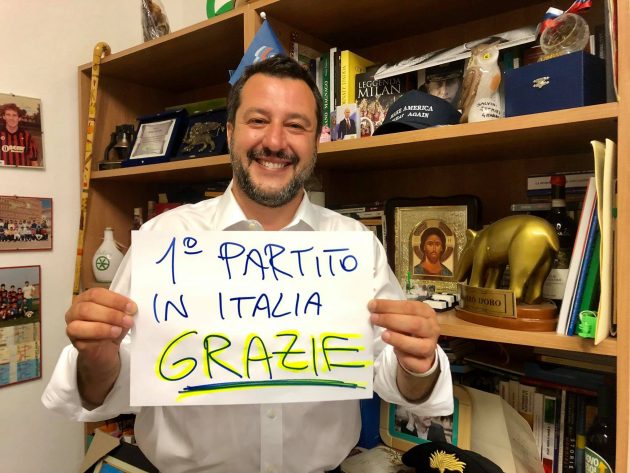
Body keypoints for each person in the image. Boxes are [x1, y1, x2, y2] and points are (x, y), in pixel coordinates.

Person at [42, 56, 453, 473]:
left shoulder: (354, 245)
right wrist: (98, 356)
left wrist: (417, 364)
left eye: (296, 125)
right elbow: (111, 386)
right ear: (230, 132)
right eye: (258, 120)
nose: (275, 141)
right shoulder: (165, 239)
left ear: (315, 142)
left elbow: (395, 376)